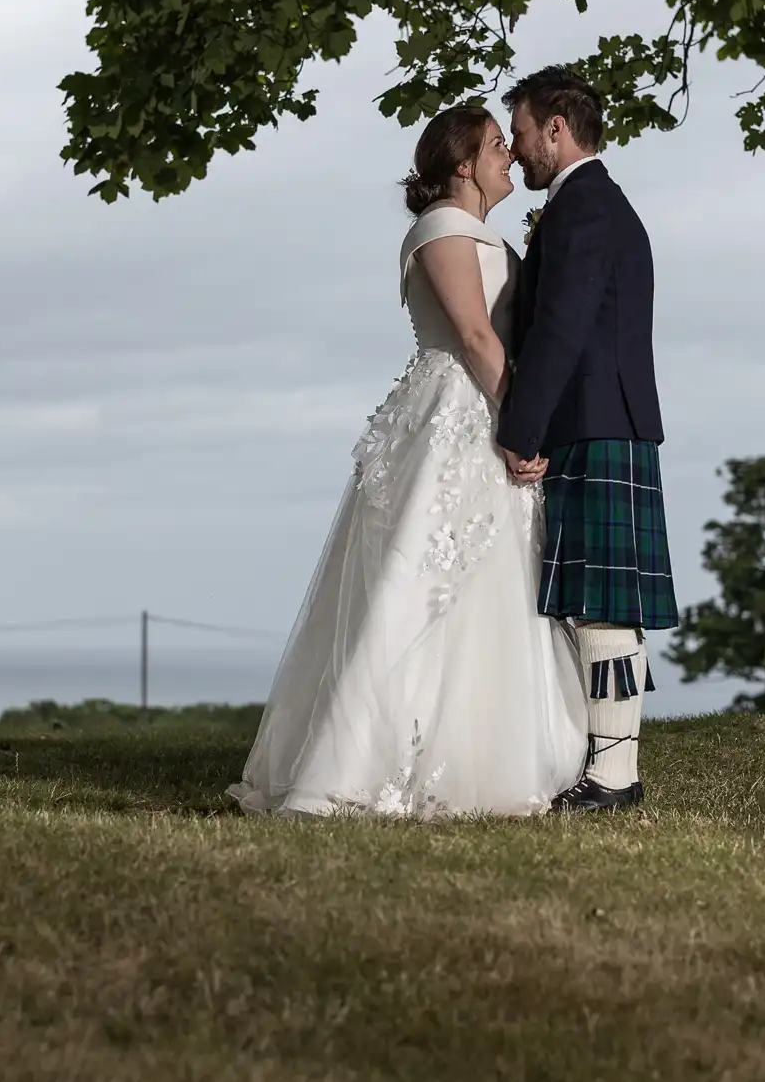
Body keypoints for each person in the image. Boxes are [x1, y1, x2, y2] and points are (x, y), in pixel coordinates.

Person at [230, 106, 586, 817]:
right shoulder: (443, 229)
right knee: (417, 583)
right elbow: (478, 338)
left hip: (481, 412)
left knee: (487, 582)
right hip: (455, 415)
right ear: (462, 164)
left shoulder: (479, 232)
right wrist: (524, 427)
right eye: (495, 146)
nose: (508, 157)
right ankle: (368, 759)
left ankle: (480, 748)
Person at [497, 65, 678, 814]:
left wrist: (521, 427)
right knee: (604, 605)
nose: (517, 152)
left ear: (555, 128)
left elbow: (560, 329)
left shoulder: (584, 210)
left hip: (592, 419)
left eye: (521, 134)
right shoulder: (593, 206)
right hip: (606, 417)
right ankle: (611, 769)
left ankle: (611, 778)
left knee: (604, 607)